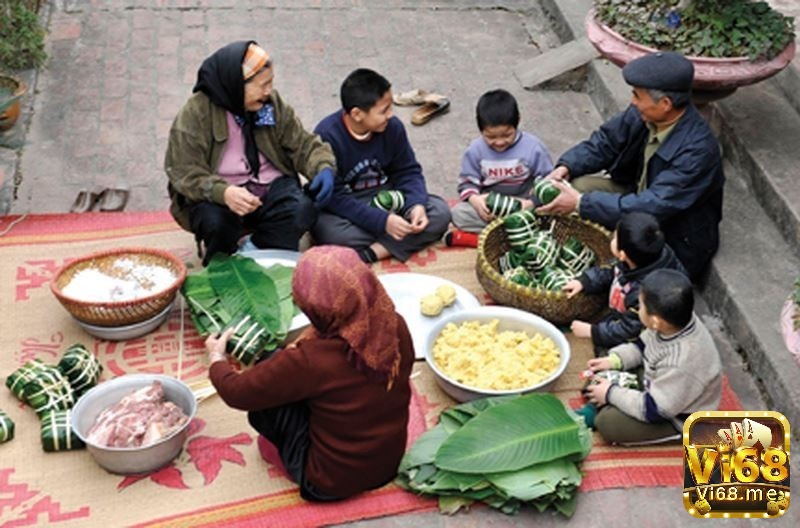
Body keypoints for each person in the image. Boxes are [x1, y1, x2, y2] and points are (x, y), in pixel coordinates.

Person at [205, 245, 415, 501]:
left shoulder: (311, 360)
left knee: (267, 386)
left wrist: (216, 358)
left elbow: (236, 392)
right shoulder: (395, 324)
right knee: (289, 375)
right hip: (387, 465)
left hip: (326, 481)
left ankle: (282, 455)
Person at [536, 51, 724, 281]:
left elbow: (654, 205)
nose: (633, 101)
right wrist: (567, 166)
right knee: (576, 184)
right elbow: (605, 143)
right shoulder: (643, 114)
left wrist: (581, 204)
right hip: (636, 195)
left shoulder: (698, 150)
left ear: (665, 104)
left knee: (626, 273)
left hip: (673, 232)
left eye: (637, 96)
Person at [164, 41, 336, 266]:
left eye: (271, 83)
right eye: (262, 85)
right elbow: (183, 171)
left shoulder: (271, 105)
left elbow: (303, 144)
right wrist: (223, 192)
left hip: (268, 185)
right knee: (217, 222)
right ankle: (223, 262)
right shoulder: (196, 114)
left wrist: (322, 166)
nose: (268, 91)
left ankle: (256, 248)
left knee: (303, 209)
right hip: (220, 193)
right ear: (237, 84)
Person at [312, 68, 451, 264]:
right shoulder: (327, 136)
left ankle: (373, 252)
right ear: (357, 114)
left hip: (390, 198)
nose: (390, 115)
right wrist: (382, 222)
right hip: (351, 203)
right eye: (383, 111)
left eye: (390, 107)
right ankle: (397, 240)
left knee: (440, 213)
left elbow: (408, 171)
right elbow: (335, 197)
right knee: (328, 232)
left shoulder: (393, 128)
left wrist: (415, 205)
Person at [580, 269, 722, 445]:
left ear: (655, 321)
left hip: (674, 415)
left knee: (607, 423)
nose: (637, 308)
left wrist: (611, 393)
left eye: (641, 305)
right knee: (599, 373)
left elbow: (654, 409)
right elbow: (642, 346)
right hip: (657, 380)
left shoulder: (682, 361)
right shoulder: (673, 321)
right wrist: (614, 360)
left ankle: (677, 435)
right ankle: (607, 399)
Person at [564, 211, 686, 353]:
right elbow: (611, 270)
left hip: (637, 337)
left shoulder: (642, 293)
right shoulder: (645, 255)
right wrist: (585, 281)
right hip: (620, 311)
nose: (613, 236)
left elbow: (628, 330)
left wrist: (593, 332)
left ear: (622, 254)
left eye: (615, 237)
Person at [447, 89, 554, 248]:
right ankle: (515, 235)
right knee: (458, 214)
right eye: (491, 137)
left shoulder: (533, 148)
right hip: (492, 208)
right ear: (480, 129)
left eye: (506, 135)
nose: (499, 142)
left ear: (517, 121)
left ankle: (494, 238)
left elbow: (548, 183)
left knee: (551, 214)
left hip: (523, 205)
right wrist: (476, 201)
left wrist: (530, 203)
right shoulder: (475, 150)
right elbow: (466, 184)